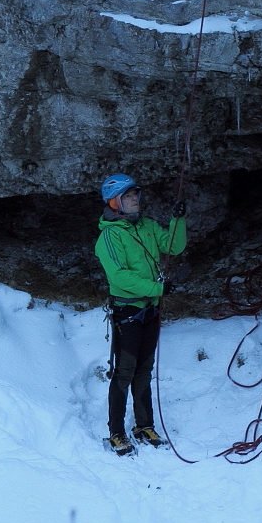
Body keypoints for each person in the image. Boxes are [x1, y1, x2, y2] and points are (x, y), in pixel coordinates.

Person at [94, 173, 187, 456]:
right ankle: (117, 432)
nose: (136, 199)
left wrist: (177, 220)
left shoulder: (146, 226)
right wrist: (156, 288)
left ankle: (144, 425)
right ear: (115, 202)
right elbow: (119, 277)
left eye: (136, 195)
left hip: (150, 310)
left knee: (144, 369)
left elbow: (173, 246)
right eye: (129, 196)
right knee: (124, 372)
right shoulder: (109, 236)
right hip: (128, 311)